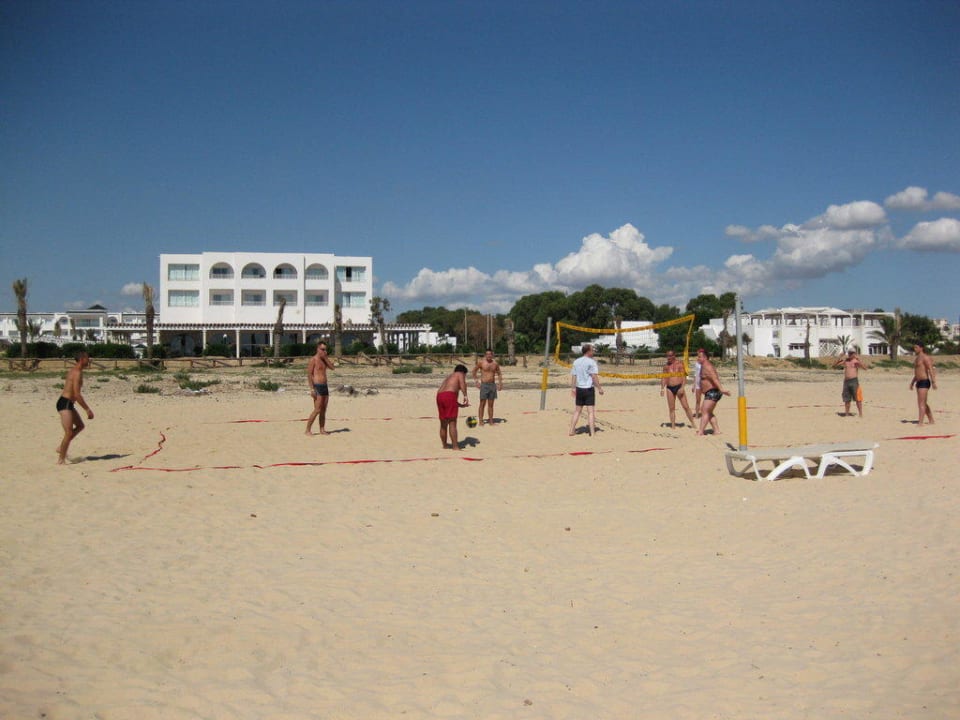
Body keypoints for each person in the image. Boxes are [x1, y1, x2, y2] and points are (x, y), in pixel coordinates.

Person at [56, 350, 94, 464]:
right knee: (68, 433)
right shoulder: (76, 372)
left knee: (80, 426)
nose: (89, 360)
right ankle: (61, 460)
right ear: (82, 359)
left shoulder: (77, 371)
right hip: (65, 403)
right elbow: (77, 394)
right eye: (87, 358)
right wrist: (87, 409)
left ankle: (61, 448)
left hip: (68, 403)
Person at [569, 344, 604, 436]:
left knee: (577, 411)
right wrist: (599, 388)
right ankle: (592, 433)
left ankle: (571, 430)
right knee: (590, 412)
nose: (593, 352)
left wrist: (573, 388)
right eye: (592, 350)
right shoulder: (591, 362)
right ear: (588, 351)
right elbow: (594, 376)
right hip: (588, 389)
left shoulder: (576, 361)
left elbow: (574, 376)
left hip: (579, 389)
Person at [696, 348, 729, 436]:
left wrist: (722, 389)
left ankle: (701, 431)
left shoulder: (708, 367)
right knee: (708, 412)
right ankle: (716, 431)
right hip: (710, 392)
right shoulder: (703, 366)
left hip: (713, 391)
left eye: (699, 357)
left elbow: (715, 379)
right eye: (698, 356)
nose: (697, 358)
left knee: (704, 411)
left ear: (705, 357)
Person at [305, 341, 335, 435]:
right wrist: (312, 389)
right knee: (317, 409)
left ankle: (322, 429)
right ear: (318, 349)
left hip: (324, 386)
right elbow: (309, 375)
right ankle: (307, 430)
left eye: (325, 349)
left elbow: (332, 368)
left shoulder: (324, 359)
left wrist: (326, 358)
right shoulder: (313, 360)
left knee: (323, 410)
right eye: (322, 349)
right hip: (317, 386)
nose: (324, 351)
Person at [660, 350, 696, 428]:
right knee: (671, 408)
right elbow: (664, 378)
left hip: (679, 387)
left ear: (674, 356)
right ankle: (673, 426)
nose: (668, 358)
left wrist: (682, 387)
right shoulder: (666, 366)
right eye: (667, 356)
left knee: (686, 407)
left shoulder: (680, 364)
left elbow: (684, 377)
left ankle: (693, 423)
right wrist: (662, 388)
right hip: (669, 388)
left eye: (670, 356)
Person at [437, 364, 469, 449]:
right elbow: (462, 384)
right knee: (452, 422)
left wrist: (460, 405)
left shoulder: (449, 377)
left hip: (439, 396)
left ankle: (445, 445)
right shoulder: (460, 374)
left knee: (443, 423)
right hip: (449, 396)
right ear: (463, 372)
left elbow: (448, 395)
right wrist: (465, 396)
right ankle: (455, 446)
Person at [472, 348, 503, 426]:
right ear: (485, 355)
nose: (489, 355)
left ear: (492, 355)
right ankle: (481, 420)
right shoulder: (481, 362)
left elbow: (499, 373)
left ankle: (491, 421)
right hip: (484, 385)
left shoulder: (495, 364)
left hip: (492, 385)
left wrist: (500, 383)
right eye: (487, 354)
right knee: (482, 404)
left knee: (491, 405)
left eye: (490, 354)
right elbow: (474, 371)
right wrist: (476, 381)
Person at [834, 349, 868, 417]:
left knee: (858, 398)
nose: (850, 354)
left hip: (854, 381)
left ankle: (860, 413)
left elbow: (865, 368)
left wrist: (859, 360)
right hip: (846, 382)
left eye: (852, 353)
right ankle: (847, 413)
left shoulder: (856, 361)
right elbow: (834, 365)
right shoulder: (846, 361)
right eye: (849, 353)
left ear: (854, 354)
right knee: (847, 399)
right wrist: (839, 357)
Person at [910, 343, 937, 425]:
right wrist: (912, 382)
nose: (914, 349)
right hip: (918, 382)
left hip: (924, 381)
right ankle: (931, 420)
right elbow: (917, 372)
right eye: (914, 347)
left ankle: (920, 422)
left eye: (916, 347)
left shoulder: (925, 357)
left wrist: (933, 381)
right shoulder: (917, 358)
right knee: (923, 402)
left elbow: (930, 369)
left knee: (921, 403)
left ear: (921, 348)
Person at [693, 353, 704, 418]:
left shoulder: (705, 363)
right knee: (698, 400)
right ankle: (697, 414)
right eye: (698, 356)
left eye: (700, 356)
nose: (698, 357)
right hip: (698, 384)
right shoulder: (696, 364)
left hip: (705, 384)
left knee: (707, 400)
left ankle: (705, 413)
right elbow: (695, 374)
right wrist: (693, 385)